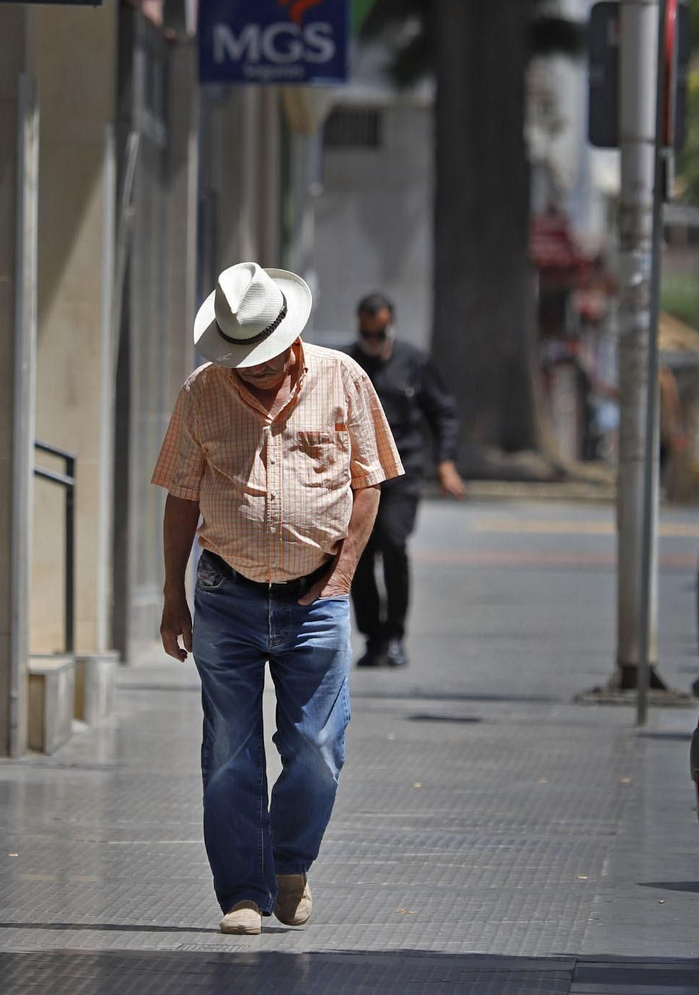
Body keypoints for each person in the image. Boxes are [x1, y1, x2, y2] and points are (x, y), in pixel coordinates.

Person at [153, 262, 402, 936]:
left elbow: (370, 479)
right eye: (239, 361)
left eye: (260, 360)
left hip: (315, 599)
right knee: (229, 748)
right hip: (225, 595)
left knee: (318, 747)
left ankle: (288, 865)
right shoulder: (203, 393)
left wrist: (344, 573)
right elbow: (181, 494)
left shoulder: (343, 378)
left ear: (290, 339)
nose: (250, 370)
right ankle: (242, 891)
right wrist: (172, 597)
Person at [342, 293, 464, 668]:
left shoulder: (414, 362)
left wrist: (445, 461)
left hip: (402, 470)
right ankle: (373, 638)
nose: (373, 341)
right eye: (367, 333)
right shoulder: (346, 364)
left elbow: (443, 412)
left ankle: (395, 635)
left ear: (390, 325)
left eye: (379, 333)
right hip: (358, 475)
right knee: (358, 553)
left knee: (394, 544)